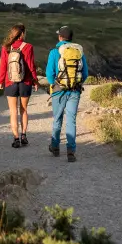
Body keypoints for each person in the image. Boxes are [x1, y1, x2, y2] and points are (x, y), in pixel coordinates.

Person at [45, 25, 89, 162]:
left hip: (58, 90)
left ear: (60, 37)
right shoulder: (79, 52)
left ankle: (55, 147)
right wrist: (76, 83)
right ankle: (71, 151)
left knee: (57, 119)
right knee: (71, 120)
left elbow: (49, 74)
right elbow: (85, 73)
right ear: (71, 38)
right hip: (75, 90)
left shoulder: (54, 52)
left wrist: (54, 84)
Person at [0, 23, 38, 148]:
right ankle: (24, 135)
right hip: (25, 82)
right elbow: (31, 66)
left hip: (10, 82)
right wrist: (35, 80)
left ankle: (16, 138)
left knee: (13, 111)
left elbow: (3, 66)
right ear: (22, 34)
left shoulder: (6, 47)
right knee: (24, 109)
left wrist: (0, 81)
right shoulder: (28, 47)